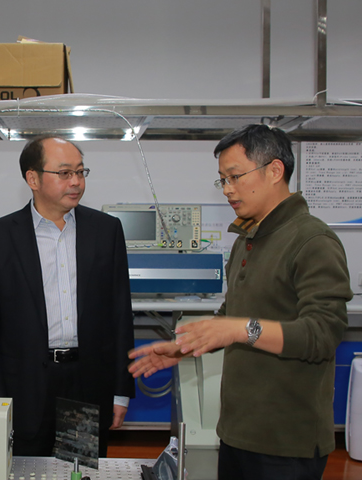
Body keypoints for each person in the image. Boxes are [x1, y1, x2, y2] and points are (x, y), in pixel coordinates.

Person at [129, 124, 353, 480]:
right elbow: (229, 317)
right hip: (238, 433)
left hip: (286, 443)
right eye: (222, 180)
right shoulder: (247, 239)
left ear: (274, 170)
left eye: (235, 177)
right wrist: (181, 348)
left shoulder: (312, 240)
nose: (227, 189)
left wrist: (240, 329)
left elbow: (322, 334)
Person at [0, 135, 135, 457]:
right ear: (33, 179)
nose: (76, 181)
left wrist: (121, 391)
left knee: (79, 470)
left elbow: (120, 314)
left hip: (86, 383)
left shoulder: (105, 231)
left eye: (80, 172)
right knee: (24, 471)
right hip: (24, 386)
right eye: (64, 173)